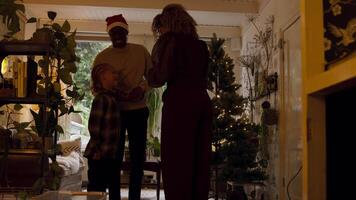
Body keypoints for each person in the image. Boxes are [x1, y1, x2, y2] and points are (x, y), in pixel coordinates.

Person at [148, 4, 213, 200]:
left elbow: (159, 76)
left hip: (179, 104)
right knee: (199, 162)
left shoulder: (170, 41)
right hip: (202, 102)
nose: (160, 32)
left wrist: (149, 72)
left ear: (168, 24)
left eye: (161, 28)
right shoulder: (200, 45)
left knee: (177, 162)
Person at [93, 14, 152, 200]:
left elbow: (153, 77)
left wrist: (141, 89)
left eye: (121, 31)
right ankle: (114, 198)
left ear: (127, 32)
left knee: (137, 160)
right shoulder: (102, 57)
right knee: (114, 159)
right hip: (114, 113)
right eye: (113, 32)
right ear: (109, 34)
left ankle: (135, 197)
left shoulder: (140, 51)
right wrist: (112, 94)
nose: (117, 35)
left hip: (138, 111)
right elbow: (95, 86)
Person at [84, 63, 121, 200]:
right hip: (99, 154)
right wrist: (97, 149)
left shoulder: (112, 98)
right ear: (103, 77)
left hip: (109, 153)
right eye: (113, 73)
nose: (116, 76)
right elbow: (94, 127)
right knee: (96, 188)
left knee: (104, 186)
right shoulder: (101, 99)